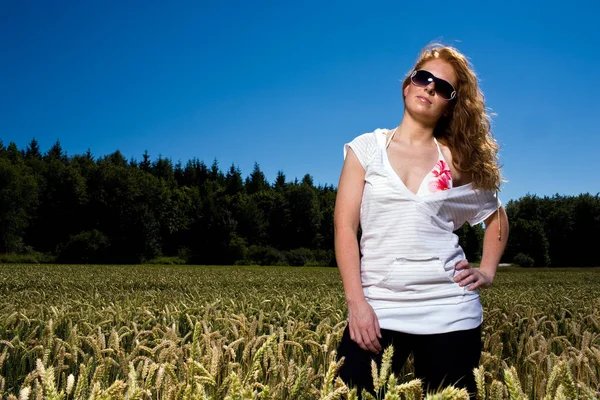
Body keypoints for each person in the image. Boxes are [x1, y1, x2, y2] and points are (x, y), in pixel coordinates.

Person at [333, 44, 509, 399]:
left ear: (449, 107)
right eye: (423, 78)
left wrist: (487, 272)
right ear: (407, 86)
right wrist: (357, 304)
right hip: (378, 309)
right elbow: (344, 229)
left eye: (443, 87)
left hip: (450, 311)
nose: (430, 87)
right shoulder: (366, 149)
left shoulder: (455, 161)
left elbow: (497, 216)